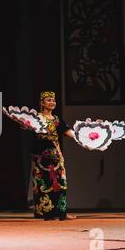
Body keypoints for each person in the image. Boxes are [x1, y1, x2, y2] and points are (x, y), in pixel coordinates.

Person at [30, 91, 77, 221]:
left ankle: (62, 212)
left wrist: (83, 139)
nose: (52, 102)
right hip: (40, 156)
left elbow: (68, 132)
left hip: (56, 155)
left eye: (53, 100)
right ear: (42, 103)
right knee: (42, 183)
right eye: (48, 100)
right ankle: (46, 213)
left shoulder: (57, 120)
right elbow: (26, 126)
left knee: (61, 183)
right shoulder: (35, 118)